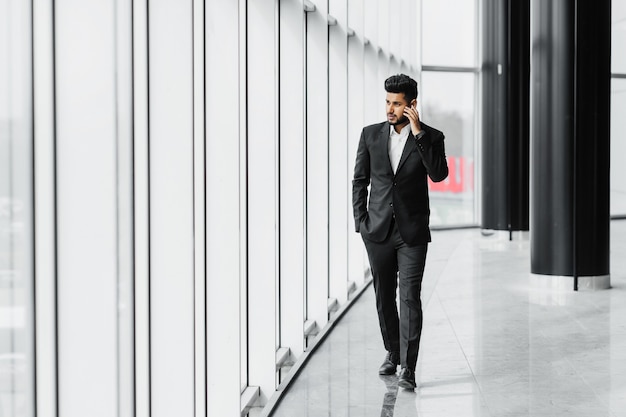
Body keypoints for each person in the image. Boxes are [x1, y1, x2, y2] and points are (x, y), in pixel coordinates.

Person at [352, 74, 448, 389]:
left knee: (409, 297)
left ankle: (408, 367)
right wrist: (361, 222)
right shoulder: (370, 135)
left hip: (412, 233)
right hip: (377, 230)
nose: (390, 109)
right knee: (383, 297)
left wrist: (418, 133)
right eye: (388, 102)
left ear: (411, 105)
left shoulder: (431, 137)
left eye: (397, 103)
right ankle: (393, 351)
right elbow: (359, 181)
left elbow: (438, 175)